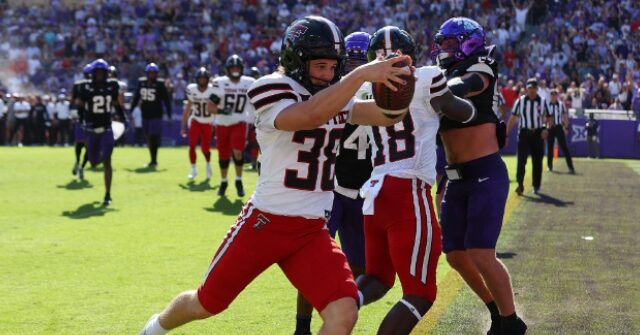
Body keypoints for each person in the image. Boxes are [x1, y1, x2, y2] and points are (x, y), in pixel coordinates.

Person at [138, 15, 414, 335]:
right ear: (296, 60)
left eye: (331, 67)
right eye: (319, 66)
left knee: (344, 311)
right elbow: (310, 115)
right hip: (266, 222)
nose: (327, 74)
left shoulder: (336, 94)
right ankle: (154, 329)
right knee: (208, 302)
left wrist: (402, 82)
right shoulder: (270, 87)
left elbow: (386, 116)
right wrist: (362, 74)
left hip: (311, 229)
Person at [356, 26, 476, 335]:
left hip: (375, 193)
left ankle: (338, 303)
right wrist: (459, 92)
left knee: (377, 279)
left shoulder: (368, 87)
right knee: (420, 293)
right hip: (407, 189)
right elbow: (459, 111)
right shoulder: (426, 76)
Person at [434, 17, 527, 334]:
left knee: (480, 253)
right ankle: (496, 312)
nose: (444, 49)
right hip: (456, 178)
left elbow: (470, 85)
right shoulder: (443, 75)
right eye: (442, 43)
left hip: (485, 171)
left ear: (469, 42)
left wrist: (437, 90)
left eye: (450, 42)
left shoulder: (481, 64)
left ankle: (511, 322)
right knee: (457, 256)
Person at [292, 31, 372, 335]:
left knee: (362, 267)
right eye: (348, 59)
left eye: (358, 59)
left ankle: (338, 314)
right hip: (331, 187)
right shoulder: (334, 91)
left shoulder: (378, 90)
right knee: (314, 262)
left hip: (364, 190)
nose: (352, 65)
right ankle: (302, 327)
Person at [75, 59, 126, 206]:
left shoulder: (112, 86)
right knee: (93, 161)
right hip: (91, 130)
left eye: (101, 72)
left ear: (106, 73)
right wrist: (81, 120)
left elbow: (116, 104)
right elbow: (80, 106)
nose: (98, 75)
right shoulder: (85, 87)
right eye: (96, 72)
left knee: (107, 159)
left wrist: (123, 118)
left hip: (106, 128)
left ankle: (107, 194)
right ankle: (97, 159)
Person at [209, 55, 256, 197]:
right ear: (228, 69)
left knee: (238, 151)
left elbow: (256, 103)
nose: (235, 70)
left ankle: (238, 180)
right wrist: (222, 110)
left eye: (237, 68)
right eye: (233, 68)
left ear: (241, 69)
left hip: (240, 122)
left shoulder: (249, 83)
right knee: (223, 156)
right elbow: (210, 107)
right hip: (222, 124)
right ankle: (223, 181)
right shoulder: (220, 83)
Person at [507, 78, 551, 195]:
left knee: (537, 162)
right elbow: (513, 118)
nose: (531, 91)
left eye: (533, 88)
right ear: (527, 89)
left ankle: (536, 185)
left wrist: (546, 129)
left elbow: (549, 117)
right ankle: (520, 184)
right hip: (524, 134)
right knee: (521, 161)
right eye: (530, 88)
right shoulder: (520, 101)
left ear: (537, 89)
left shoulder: (542, 101)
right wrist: (506, 134)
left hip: (537, 134)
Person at [130, 63, 172, 168]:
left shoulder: (160, 84)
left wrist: (169, 115)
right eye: (150, 73)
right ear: (147, 73)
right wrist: (130, 111)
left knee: (154, 137)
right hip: (145, 114)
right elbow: (136, 98)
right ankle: (152, 159)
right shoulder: (142, 82)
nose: (152, 75)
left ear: (157, 74)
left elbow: (166, 101)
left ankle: (154, 159)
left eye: (154, 73)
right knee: (148, 137)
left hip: (156, 114)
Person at [181, 67, 216, 181]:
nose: (202, 81)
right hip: (195, 120)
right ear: (197, 79)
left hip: (208, 122)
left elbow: (217, 107)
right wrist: (183, 126)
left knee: (205, 148)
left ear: (207, 79)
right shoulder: (192, 89)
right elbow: (187, 109)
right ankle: (193, 168)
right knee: (191, 145)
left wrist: (217, 123)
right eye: (200, 79)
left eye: (203, 79)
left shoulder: (212, 90)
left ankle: (208, 164)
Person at [70, 64, 92, 179]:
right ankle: (78, 162)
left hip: (93, 119)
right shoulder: (78, 85)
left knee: (89, 146)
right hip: (83, 117)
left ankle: (82, 166)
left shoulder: (98, 85)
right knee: (79, 143)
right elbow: (72, 100)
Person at [546, 89, 575, 173]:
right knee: (550, 147)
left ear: (557, 96)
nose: (553, 97)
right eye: (552, 95)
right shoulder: (547, 105)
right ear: (550, 96)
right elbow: (544, 116)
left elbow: (565, 115)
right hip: (550, 127)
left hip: (558, 127)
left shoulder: (561, 104)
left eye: (555, 95)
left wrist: (566, 127)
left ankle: (570, 167)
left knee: (564, 147)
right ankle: (549, 165)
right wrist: (545, 126)